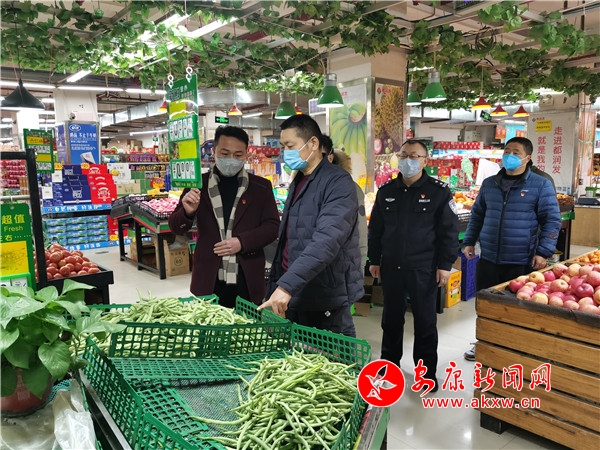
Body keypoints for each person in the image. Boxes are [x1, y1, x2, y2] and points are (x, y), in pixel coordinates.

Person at [258, 115, 363, 337]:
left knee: (332, 354)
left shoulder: (338, 182)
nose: (285, 153)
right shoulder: (299, 180)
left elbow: (327, 240)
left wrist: (287, 286)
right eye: (283, 147)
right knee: (298, 351)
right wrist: (279, 284)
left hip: (325, 295)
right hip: (297, 290)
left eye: (290, 146)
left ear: (313, 143)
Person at [368, 139, 460, 392]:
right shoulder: (386, 191)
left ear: (425, 161)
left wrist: (445, 265)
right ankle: (389, 368)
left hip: (424, 268)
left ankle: (426, 374)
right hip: (392, 267)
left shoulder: (439, 192)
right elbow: (375, 230)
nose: (408, 160)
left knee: (425, 323)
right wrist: (374, 259)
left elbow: (449, 232)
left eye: (414, 156)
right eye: (404, 155)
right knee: (391, 321)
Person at [462, 136, 561, 361]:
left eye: (516, 152)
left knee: (517, 306)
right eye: (507, 151)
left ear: (528, 158)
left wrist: (543, 252)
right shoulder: (490, 184)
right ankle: (483, 342)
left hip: (520, 259)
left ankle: (515, 348)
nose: (510, 156)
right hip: (488, 258)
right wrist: (469, 241)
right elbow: (477, 215)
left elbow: (551, 220)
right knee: (486, 305)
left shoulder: (540, 184)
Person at [169, 125, 279, 308]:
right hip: (209, 277)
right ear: (214, 151)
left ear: (246, 154)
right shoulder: (198, 186)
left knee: (247, 325)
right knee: (210, 324)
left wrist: (242, 242)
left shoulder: (260, 187)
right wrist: (187, 212)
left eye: (238, 155)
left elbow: (272, 227)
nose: (231, 159)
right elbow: (175, 226)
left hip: (247, 278)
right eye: (225, 153)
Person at [327, 146, 368, 274]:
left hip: (342, 267)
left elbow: (360, 235)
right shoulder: (303, 188)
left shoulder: (351, 189)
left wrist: (359, 269)